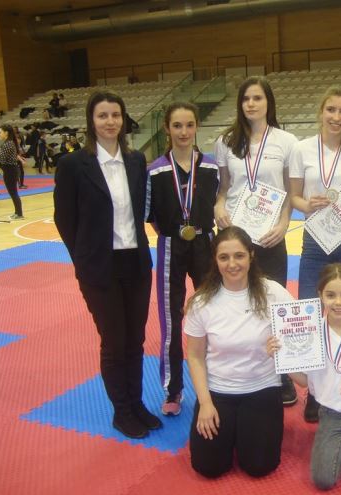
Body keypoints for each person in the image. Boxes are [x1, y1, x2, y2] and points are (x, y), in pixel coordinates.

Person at [53, 91, 159, 439]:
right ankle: (122, 411)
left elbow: (140, 211)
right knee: (114, 341)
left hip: (136, 262)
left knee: (135, 340)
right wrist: (84, 260)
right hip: (100, 267)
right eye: (103, 115)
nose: (110, 121)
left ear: (123, 120)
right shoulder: (73, 165)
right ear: (91, 120)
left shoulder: (136, 161)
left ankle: (137, 404)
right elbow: (65, 220)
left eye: (116, 115)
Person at [214, 76, 299, 405]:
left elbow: (291, 192)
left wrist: (284, 223)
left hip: (271, 234)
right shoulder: (225, 141)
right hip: (236, 237)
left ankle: (282, 373)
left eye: (257, 98)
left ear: (268, 102)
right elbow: (224, 188)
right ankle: (243, 367)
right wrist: (219, 206)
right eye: (246, 98)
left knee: (274, 304)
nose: (251, 104)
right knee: (237, 303)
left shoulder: (286, 142)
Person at [288, 87, 341, 422]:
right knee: (310, 313)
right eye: (331, 110)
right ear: (321, 111)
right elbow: (294, 197)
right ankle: (314, 392)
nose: (336, 117)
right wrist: (307, 204)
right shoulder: (302, 148)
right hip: (315, 240)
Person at [184, 226, 292, 479]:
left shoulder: (273, 292)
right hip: (218, 390)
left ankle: (242, 432)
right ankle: (231, 430)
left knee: (260, 466)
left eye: (239, 256)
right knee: (208, 467)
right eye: (224, 257)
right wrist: (205, 403)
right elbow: (195, 356)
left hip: (262, 387)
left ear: (251, 255)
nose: (232, 264)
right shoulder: (202, 302)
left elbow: (305, 327)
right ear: (215, 260)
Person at [268, 262, 341, 489]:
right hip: (330, 413)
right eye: (331, 295)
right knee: (322, 481)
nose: (338, 302)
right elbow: (305, 382)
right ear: (320, 295)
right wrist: (279, 359)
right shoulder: (310, 332)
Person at [146, 102, 220, 416]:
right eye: (177, 125)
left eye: (189, 125)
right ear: (167, 128)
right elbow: (150, 215)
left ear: (196, 126)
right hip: (171, 245)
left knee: (214, 313)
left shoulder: (211, 167)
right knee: (171, 318)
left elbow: (219, 203)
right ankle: (173, 389)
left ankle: (217, 384)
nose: (184, 132)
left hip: (205, 242)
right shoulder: (155, 170)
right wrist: (173, 232)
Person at [0, 124, 24, 219]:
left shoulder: (8, 144)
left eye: (0, 132)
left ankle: (19, 214)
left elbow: (1, 159)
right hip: (9, 170)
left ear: (6, 133)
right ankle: (17, 212)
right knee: (13, 192)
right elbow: (0, 156)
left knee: (13, 192)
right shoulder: (7, 143)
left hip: (10, 171)